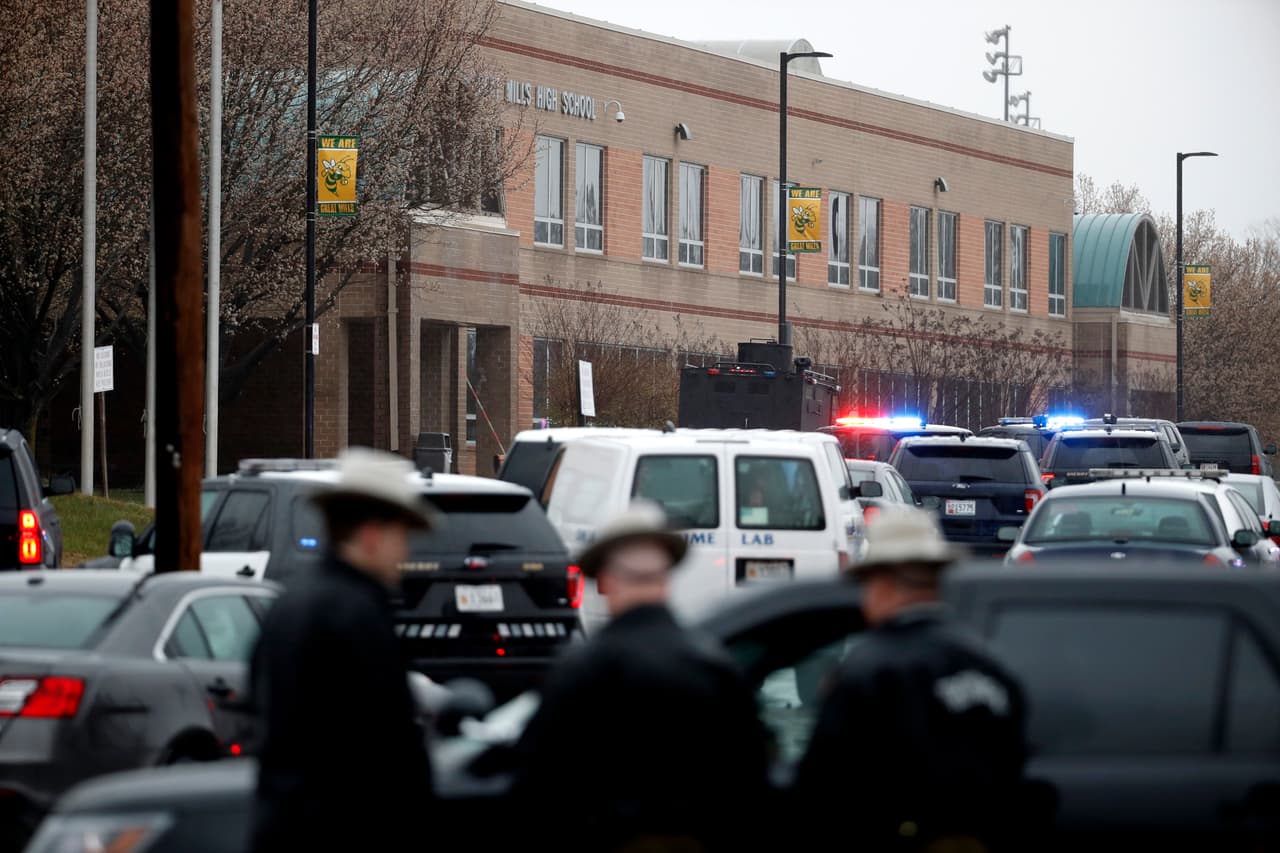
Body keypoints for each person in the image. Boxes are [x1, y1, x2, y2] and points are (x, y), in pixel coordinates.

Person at [509, 501, 772, 852]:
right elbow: (752, 781)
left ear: (604, 578)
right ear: (667, 574)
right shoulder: (714, 667)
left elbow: (537, 785)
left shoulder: (581, 670)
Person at [792, 507, 1028, 852]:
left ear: (882, 583)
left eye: (866, 585)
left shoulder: (868, 670)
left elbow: (824, 785)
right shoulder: (990, 664)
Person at [249, 448, 435, 852]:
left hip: (279, 825)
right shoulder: (359, 614)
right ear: (371, 535)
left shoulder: (287, 603)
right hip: (344, 828)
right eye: (401, 536)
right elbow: (384, 745)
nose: (405, 553)